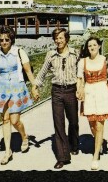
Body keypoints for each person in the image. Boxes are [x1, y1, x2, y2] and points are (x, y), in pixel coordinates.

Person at [0, 26, 38, 165]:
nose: (4, 42)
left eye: (7, 39)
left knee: (15, 120)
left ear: (11, 39)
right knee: (5, 120)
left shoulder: (19, 52)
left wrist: (34, 86)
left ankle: (24, 136)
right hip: (2, 90)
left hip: (17, 89)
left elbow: (28, 72)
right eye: (1, 40)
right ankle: (7, 151)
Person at [33, 28, 80, 169]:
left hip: (71, 91)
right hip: (57, 92)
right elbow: (42, 72)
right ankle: (63, 157)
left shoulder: (75, 54)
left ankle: (74, 143)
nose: (58, 41)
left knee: (73, 121)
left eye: (61, 38)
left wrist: (83, 88)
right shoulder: (51, 55)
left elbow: (81, 72)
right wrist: (35, 86)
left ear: (66, 39)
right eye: (56, 38)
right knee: (58, 124)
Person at [77, 36, 108, 170]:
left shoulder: (107, 61)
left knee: (99, 126)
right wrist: (79, 89)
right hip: (88, 93)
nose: (92, 47)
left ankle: (95, 156)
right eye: (89, 46)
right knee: (92, 125)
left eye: (94, 45)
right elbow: (80, 79)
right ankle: (99, 142)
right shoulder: (83, 62)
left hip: (102, 94)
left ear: (99, 46)